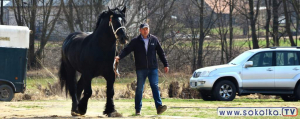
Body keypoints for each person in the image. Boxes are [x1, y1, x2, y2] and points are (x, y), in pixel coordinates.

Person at [115, 23, 169, 115]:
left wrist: (165, 64)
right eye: (143, 29)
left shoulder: (154, 40)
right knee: (140, 89)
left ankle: (159, 107)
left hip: (153, 69)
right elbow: (127, 50)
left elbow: (161, 53)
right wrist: (119, 57)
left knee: (155, 86)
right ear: (140, 30)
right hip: (141, 69)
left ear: (149, 29)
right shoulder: (135, 41)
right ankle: (138, 110)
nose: (145, 31)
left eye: (147, 29)